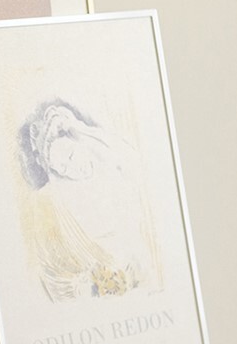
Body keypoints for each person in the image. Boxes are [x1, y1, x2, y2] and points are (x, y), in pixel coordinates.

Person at [18, 100, 160, 301]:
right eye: (63, 169)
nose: (72, 169)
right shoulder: (62, 199)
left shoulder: (111, 162)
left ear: (78, 139)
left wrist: (78, 128)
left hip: (140, 264)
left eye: (71, 155)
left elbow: (138, 166)